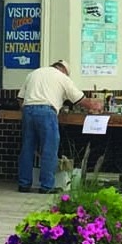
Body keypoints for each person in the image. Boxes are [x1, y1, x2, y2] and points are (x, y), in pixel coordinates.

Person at [17, 59, 100, 193]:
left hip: (28, 110)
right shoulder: (62, 77)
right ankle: (46, 186)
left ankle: (24, 184)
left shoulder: (34, 73)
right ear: (64, 71)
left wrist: (29, 111)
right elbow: (80, 99)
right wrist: (95, 105)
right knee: (49, 149)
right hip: (47, 112)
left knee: (27, 148)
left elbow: (20, 98)